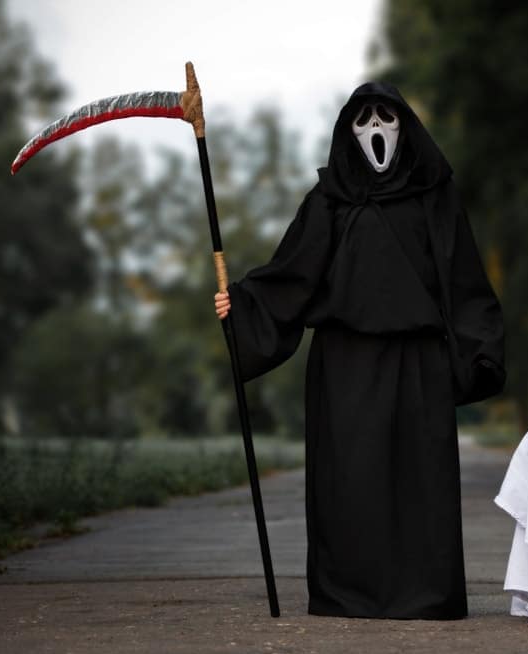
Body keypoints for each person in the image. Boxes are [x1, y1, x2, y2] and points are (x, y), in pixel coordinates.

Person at [213, 82, 505, 619]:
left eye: (386, 117)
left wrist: (480, 349)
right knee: (350, 481)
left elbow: (463, 278)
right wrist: (244, 304)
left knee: (420, 484)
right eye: (363, 118)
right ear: (348, 130)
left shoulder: (434, 194)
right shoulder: (329, 200)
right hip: (343, 365)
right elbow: (292, 273)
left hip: (419, 362)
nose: (375, 128)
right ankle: (348, 594)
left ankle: (425, 595)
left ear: (405, 125)